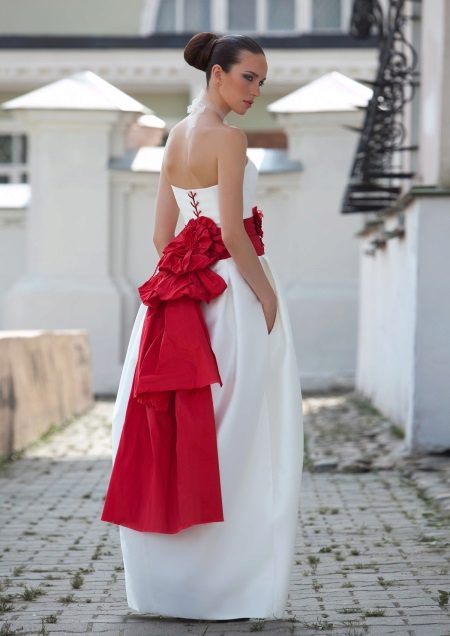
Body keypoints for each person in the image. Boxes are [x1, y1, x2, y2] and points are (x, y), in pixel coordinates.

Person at [100, 31, 304, 621]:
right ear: (216, 74)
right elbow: (236, 234)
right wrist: (264, 295)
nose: (256, 91)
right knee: (241, 439)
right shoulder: (230, 140)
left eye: (262, 81)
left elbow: (162, 237)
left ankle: (171, 588)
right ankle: (233, 589)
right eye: (248, 77)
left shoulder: (175, 138)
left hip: (175, 303)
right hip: (232, 297)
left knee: (183, 437)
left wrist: (182, 284)